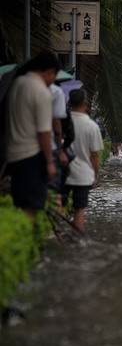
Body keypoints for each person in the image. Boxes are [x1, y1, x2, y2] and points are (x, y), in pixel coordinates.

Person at [5, 50, 60, 222]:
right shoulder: (41, 92)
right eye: (54, 77)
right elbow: (44, 132)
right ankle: (28, 245)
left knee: (19, 204)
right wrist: (50, 162)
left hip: (13, 154)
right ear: (49, 72)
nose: (53, 81)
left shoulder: (16, 83)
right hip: (32, 157)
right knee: (32, 207)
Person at [61, 88, 104, 232]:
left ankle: (56, 234)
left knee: (60, 204)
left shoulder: (60, 122)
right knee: (79, 209)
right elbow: (95, 155)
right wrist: (96, 174)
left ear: (69, 102)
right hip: (83, 175)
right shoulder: (92, 126)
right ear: (85, 102)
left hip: (63, 171)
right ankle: (76, 239)